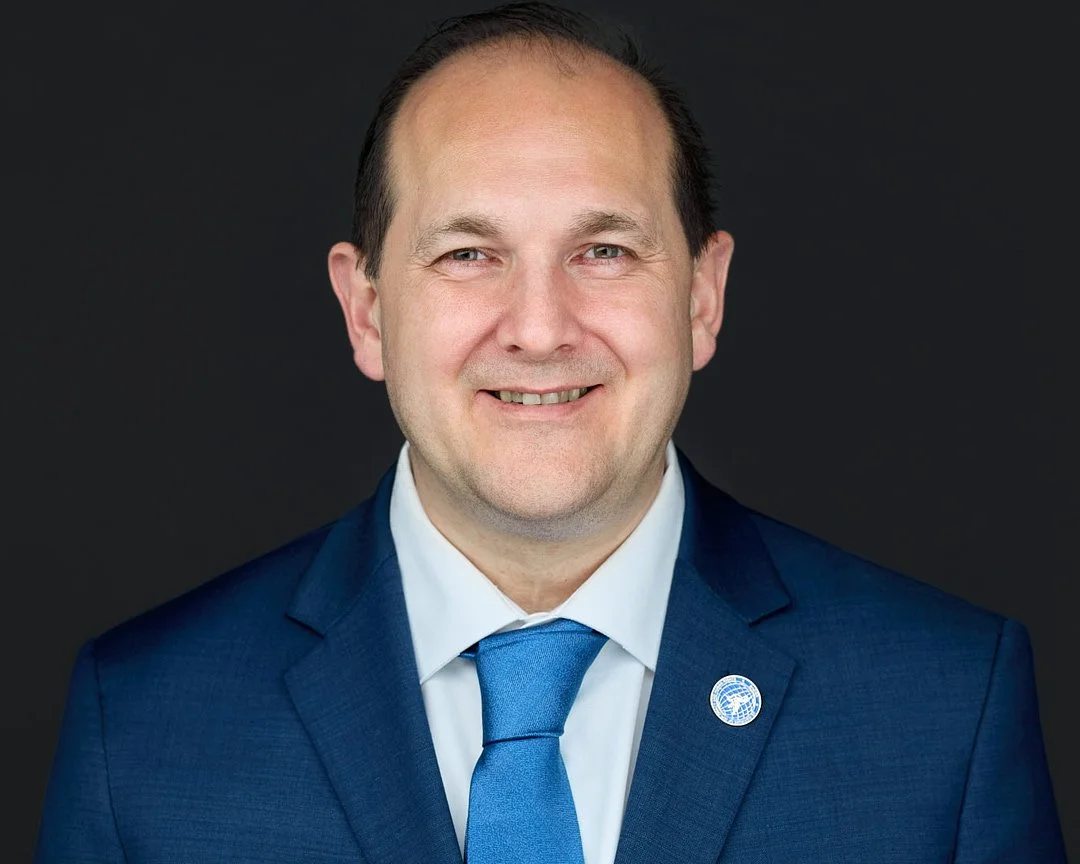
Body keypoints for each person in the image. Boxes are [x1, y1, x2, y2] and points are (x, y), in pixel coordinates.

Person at [35, 3, 1066, 862]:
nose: (538, 328)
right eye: (467, 255)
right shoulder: (145, 726)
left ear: (703, 297)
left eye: (606, 250)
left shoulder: (942, 713)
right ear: (367, 311)